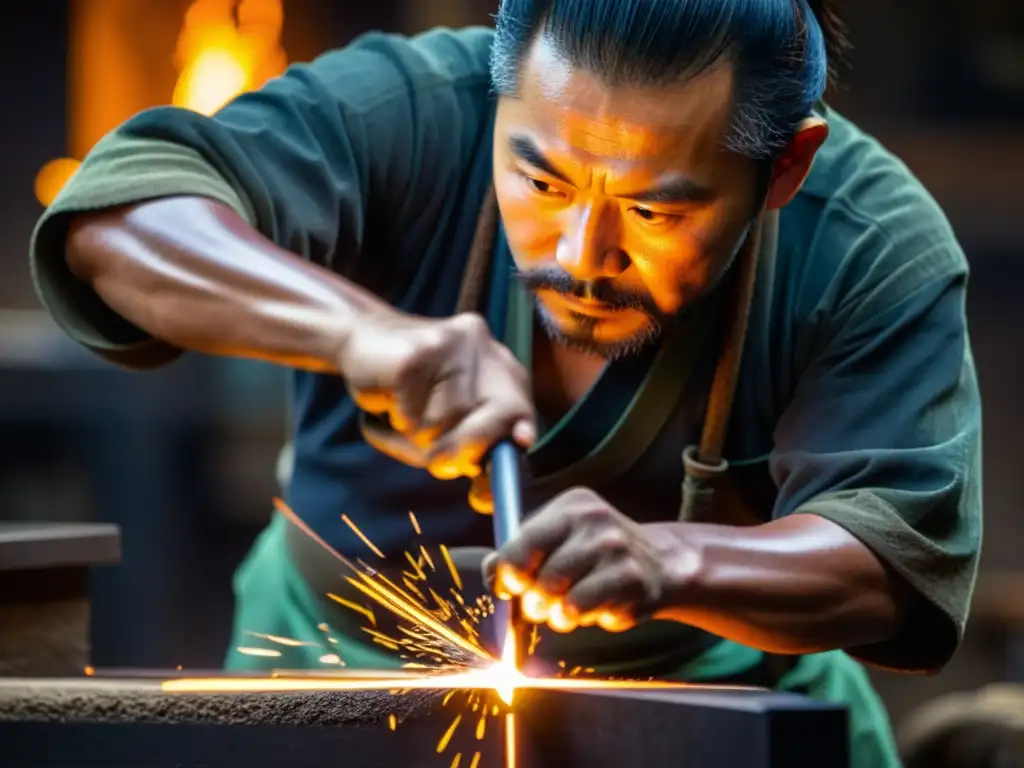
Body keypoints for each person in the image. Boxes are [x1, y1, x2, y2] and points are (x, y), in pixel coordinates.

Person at [29, 1, 981, 765]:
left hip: (721, 710)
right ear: (497, 96)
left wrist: (670, 563)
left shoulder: (868, 239)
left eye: (654, 208)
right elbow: (117, 221)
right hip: (318, 679)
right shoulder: (410, 105)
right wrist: (360, 334)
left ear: (786, 166)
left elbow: (891, 561)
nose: (582, 255)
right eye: (544, 182)